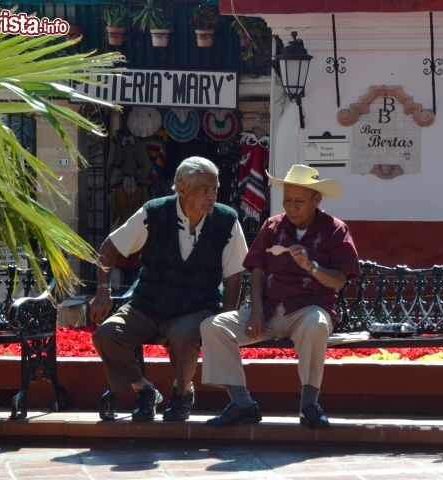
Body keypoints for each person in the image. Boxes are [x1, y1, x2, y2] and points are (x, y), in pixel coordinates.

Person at [89, 156, 248, 423]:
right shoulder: (153, 212)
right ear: (181, 188)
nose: (211, 196)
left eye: (214, 189)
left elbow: (234, 275)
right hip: (147, 304)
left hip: (196, 307)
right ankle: (144, 390)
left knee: (184, 334)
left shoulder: (226, 220)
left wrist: (226, 319)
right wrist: (102, 290)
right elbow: (109, 247)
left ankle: (182, 392)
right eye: (203, 189)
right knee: (106, 334)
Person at [200, 164, 360, 428]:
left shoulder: (335, 230)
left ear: (317, 199)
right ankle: (242, 403)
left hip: (308, 311)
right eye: (287, 200)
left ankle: (309, 404)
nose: (291, 207)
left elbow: (340, 280)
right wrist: (257, 311)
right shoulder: (273, 226)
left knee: (317, 325)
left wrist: (312, 267)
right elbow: (257, 270)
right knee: (213, 327)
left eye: (299, 201)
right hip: (269, 311)